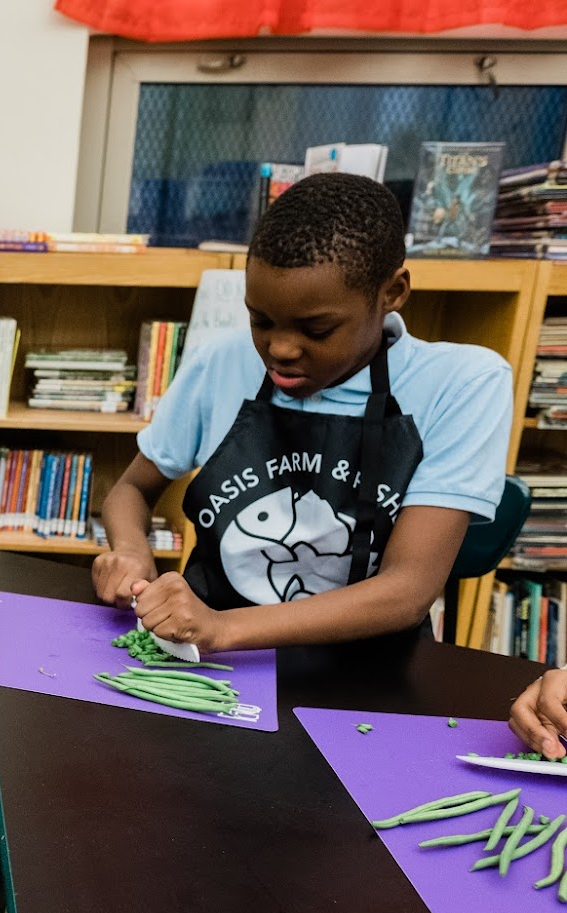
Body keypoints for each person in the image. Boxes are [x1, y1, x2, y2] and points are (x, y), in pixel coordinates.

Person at [92, 173, 512, 652]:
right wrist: (129, 551)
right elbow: (131, 488)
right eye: (261, 321)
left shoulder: (463, 383)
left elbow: (408, 591)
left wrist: (225, 629)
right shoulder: (222, 362)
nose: (280, 349)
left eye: (317, 329)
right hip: (203, 654)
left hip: (365, 670)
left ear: (392, 292)